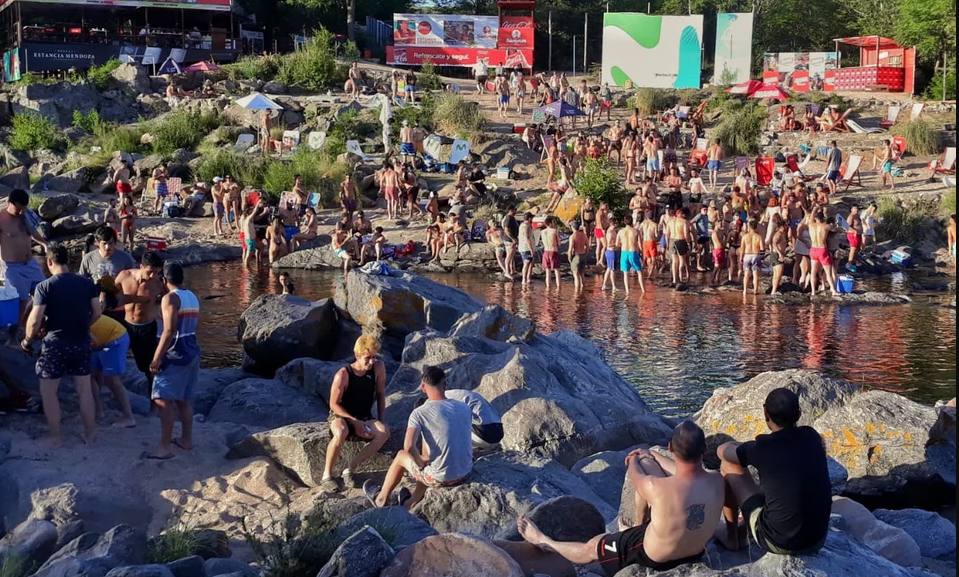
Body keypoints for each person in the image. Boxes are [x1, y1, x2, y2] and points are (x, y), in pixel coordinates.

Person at [517, 421, 723, 576]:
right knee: (650, 465)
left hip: (656, 557)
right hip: (695, 550)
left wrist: (633, 459)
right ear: (704, 449)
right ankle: (635, 528)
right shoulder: (717, 480)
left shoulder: (656, 487)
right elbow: (684, 473)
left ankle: (544, 541)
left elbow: (637, 477)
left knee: (593, 547)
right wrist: (651, 454)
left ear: (670, 448)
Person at [716, 388, 832, 555]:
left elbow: (722, 451)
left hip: (778, 542)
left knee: (728, 465)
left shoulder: (763, 447)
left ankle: (732, 538)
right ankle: (744, 529)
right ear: (798, 414)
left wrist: (738, 446)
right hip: (817, 540)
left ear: (766, 413)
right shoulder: (812, 436)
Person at [22, 244, 101, 446]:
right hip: (81, 341)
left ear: (49, 262)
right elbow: (97, 312)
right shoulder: (86, 283)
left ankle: (56, 437)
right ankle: (90, 435)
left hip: (55, 343)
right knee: (84, 390)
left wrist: (27, 340)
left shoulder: (45, 286)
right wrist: (84, 326)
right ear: (67, 260)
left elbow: (34, 319)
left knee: (49, 391)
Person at [363, 366, 472, 509]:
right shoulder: (464, 407)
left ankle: (381, 499)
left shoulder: (420, 413)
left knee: (402, 456)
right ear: (445, 385)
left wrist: (420, 463)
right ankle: (410, 502)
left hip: (442, 478)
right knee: (426, 458)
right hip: (466, 472)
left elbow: (408, 447)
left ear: (423, 387)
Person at [142, 262, 200, 460]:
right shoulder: (191, 296)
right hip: (192, 351)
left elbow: (169, 331)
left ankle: (164, 447)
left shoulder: (170, 299)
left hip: (175, 355)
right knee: (184, 400)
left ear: (164, 280)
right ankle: (186, 440)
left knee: (162, 399)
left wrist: (156, 358)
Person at [322, 335, 390, 489]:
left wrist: (381, 419)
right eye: (367, 358)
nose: (371, 361)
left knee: (384, 432)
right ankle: (327, 475)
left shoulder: (378, 367)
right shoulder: (343, 374)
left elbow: (380, 394)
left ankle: (349, 469)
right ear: (357, 355)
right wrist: (353, 421)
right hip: (342, 415)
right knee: (340, 431)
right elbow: (333, 403)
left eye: (374, 357)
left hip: (364, 415)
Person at [115, 251, 165, 397]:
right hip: (126, 324)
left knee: (150, 368)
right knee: (115, 359)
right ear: (141, 266)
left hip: (146, 327)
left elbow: (168, 299)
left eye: (156, 273)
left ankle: (154, 403)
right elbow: (111, 292)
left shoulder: (158, 283)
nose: (152, 276)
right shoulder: (124, 276)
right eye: (149, 272)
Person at [1, 189, 48, 336]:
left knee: (45, 293)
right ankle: (17, 334)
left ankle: (38, 326)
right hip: (12, 267)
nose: (21, 212)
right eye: (18, 208)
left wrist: (45, 245)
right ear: (9, 203)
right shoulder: (1, 219)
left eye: (23, 208)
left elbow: (33, 233)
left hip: (31, 264)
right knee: (21, 301)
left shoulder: (25, 216)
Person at [90, 311, 135, 428]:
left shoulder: (71, 319)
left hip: (114, 337)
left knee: (111, 379)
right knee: (90, 375)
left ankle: (129, 417)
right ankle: (98, 412)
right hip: (99, 339)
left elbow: (92, 340)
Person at [809, 211, 839, 297]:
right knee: (828, 273)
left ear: (815, 218)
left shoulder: (811, 225)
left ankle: (813, 292)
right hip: (822, 249)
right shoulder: (826, 226)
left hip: (813, 249)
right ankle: (833, 290)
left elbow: (811, 217)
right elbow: (836, 229)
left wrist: (814, 208)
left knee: (813, 272)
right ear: (823, 218)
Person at [617, 215, 645, 295]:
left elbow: (617, 244)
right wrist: (642, 254)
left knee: (625, 273)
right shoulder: (636, 231)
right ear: (632, 221)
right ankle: (643, 290)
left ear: (624, 222)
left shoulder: (620, 231)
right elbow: (640, 245)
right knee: (639, 271)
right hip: (633, 252)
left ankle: (627, 292)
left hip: (624, 253)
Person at [666, 209, 692, 286]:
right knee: (681, 260)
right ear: (681, 214)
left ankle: (674, 279)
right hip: (680, 240)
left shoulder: (670, 221)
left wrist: (667, 243)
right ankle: (681, 279)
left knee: (674, 261)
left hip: (671, 240)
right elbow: (686, 234)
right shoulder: (684, 222)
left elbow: (667, 234)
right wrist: (688, 243)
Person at [740, 219, 764, 296]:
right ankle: (755, 291)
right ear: (756, 227)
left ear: (749, 227)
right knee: (755, 274)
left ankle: (744, 291)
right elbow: (762, 249)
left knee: (746, 274)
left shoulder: (744, 237)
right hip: (756, 255)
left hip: (747, 255)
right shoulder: (759, 237)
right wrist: (762, 257)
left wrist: (741, 258)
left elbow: (742, 248)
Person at [769, 215, 788, 295]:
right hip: (777, 255)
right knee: (778, 274)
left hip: (775, 254)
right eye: (785, 225)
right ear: (782, 226)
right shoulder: (778, 234)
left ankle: (774, 290)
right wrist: (780, 254)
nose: (786, 227)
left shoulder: (781, 233)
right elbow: (774, 244)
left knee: (776, 275)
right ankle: (774, 291)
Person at [540, 216, 561, 289]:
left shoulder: (542, 232)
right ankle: (558, 288)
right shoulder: (554, 231)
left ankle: (548, 288)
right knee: (557, 271)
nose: (554, 224)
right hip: (553, 251)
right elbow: (559, 243)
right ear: (550, 223)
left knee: (547, 272)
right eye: (553, 222)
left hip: (546, 252)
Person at [601, 216, 621, 292]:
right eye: (617, 223)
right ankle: (613, 286)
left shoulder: (613, 230)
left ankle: (604, 285)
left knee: (609, 269)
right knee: (612, 270)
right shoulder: (610, 232)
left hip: (614, 251)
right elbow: (609, 244)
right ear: (614, 223)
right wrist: (617, 245)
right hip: (611, 251)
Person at [567, 221, 588, 291]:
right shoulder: (584, 235)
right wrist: (586, 254)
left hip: (576, 256)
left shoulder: (572, 236)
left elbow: (570, 249)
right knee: (582, 274)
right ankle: (583, 290)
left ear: (572, 228)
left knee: (576, 275)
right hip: (583, 255)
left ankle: (577, 293)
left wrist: (569, 258)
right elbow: (587, 247)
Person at [501, 206, 520, 278]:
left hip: (510, 239)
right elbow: (506, 230)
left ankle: (513, 270)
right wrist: (513, 238)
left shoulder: (511, 218)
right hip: (509, 240)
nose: (516, 211)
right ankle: (507, 272)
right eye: (515, 210)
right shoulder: (508, 218)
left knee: (512, 256)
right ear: (510, 210)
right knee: (509, 256)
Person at [518, 212, 535, 285]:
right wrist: (531, 249)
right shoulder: (525, 226)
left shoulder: (524, 225)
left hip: (526, 247)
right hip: (526, 248)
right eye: (532, 218)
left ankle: (528, 278)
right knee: (526, 263)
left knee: (531, 263)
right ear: (529, 218)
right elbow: (527, 238)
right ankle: (524, 280)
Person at [846, 205, 863, 270]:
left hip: (858, 234)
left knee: (858, 249)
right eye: (855, 208)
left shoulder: (857, 216)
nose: (856, 209)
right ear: (851, 209)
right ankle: (849, 264)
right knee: (853, 249)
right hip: (853, 235)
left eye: (857, 208)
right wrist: (854, 231)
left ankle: (855, 261)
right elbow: (847, 226)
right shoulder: (851, 216)